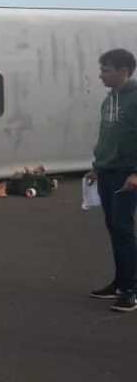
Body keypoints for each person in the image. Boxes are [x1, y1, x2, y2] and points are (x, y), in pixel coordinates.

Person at [87, 48, 137, 312]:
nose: (100, 75)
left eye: (106, 70)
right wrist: (97, 166)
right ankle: (120, 283)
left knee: (123, 229)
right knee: (114, 228)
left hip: (126, 174)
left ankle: (130, 290)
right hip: (107, 171)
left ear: (123, 71)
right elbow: (107, 136)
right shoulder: (109, 100)